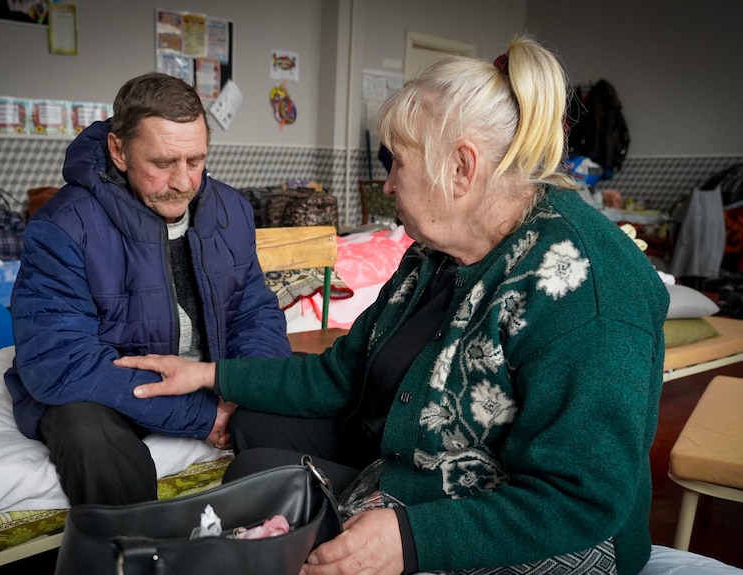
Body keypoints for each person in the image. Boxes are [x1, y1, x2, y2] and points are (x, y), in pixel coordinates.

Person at [115, 37, 669, 575]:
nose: (387, 183)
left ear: (461, 168)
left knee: (274, 501)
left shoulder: (585, 288)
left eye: (397, 162)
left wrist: (408, 540)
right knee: (255, 447)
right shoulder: (435, 253)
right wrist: (211, 374)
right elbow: (343, 371)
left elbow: (581, 500)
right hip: (427, 463)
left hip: (551, 529)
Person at [3, 72, 291, 506]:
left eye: (196, 161)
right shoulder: (64, 225)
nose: (183, 182)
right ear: (119, 151)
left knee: (306, 399)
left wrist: (245, 387)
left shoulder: (230, 209)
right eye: (162, 163)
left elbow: (254, 312)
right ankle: (137, 554)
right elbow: (61, 362)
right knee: (87, 436)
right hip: (108, 392)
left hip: (206, 377)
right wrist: (203, 416)